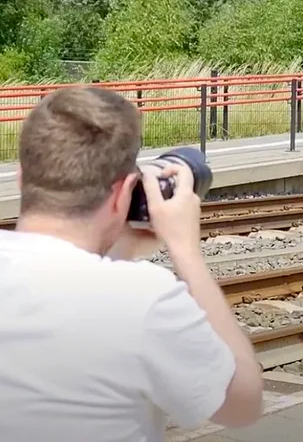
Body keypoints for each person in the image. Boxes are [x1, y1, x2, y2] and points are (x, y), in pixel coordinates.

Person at [0, 87, 264, 442]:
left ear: (21, 178)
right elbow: (242, 405)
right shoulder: (146, 299)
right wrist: (186, 251)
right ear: (125, 193)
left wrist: (121, 247)